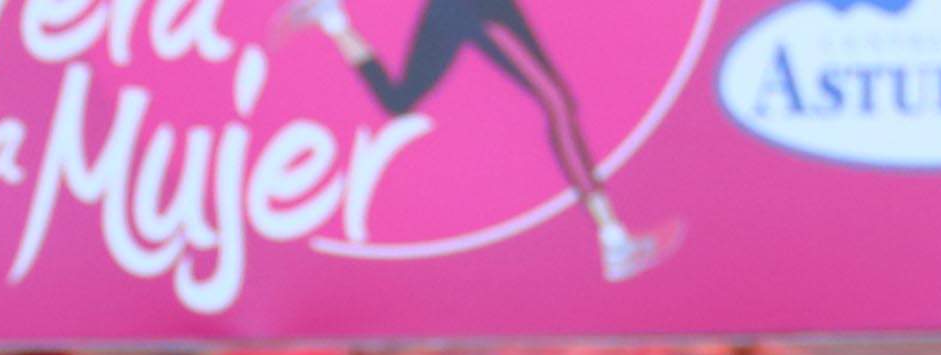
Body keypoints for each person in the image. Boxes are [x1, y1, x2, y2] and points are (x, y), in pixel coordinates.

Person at [272, 0, 679, 281]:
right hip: (474, 6)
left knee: (399, 99)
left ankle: (332, 19)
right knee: (557, 103)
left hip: (458, 8)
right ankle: (614, 240)